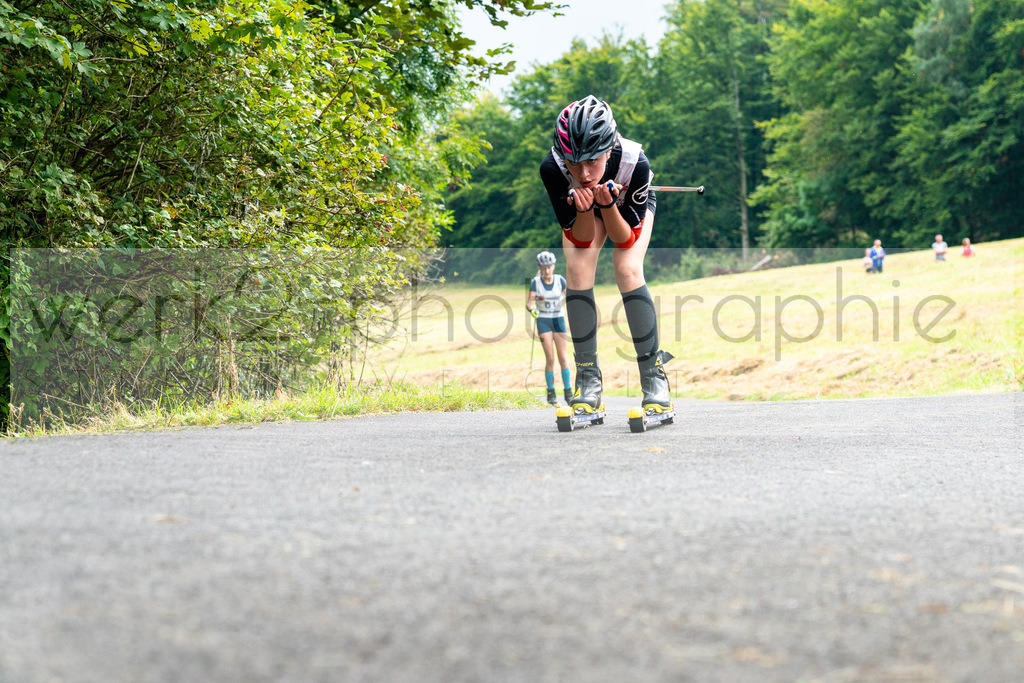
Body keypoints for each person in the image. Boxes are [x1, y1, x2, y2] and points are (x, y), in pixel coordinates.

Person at [539, 95, 672, 415]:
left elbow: (623, 238)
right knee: (577, 269)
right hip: (586, 213)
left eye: (592, 162)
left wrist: (609, 204)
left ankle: (654, 378)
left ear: (609, 149)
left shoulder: (634, 162)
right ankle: (588, 380)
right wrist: (586, 208)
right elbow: (582, 240)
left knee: (626, 268)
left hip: (625, 210)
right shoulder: (552, 169)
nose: (584, 173)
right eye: (575, 164)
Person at [526, 251, 572, 405]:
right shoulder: (535, 282)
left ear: (553, 266)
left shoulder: (560, 281)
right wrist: (532, 310)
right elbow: (529, 303)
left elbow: (569, 297)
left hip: (558, 319)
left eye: (549, 267)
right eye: (543, 268)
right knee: (550, 358)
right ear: (540, 267)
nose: (546, 271)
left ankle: (568, 392)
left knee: (563, 357)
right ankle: (551, 393)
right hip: (544, 321)